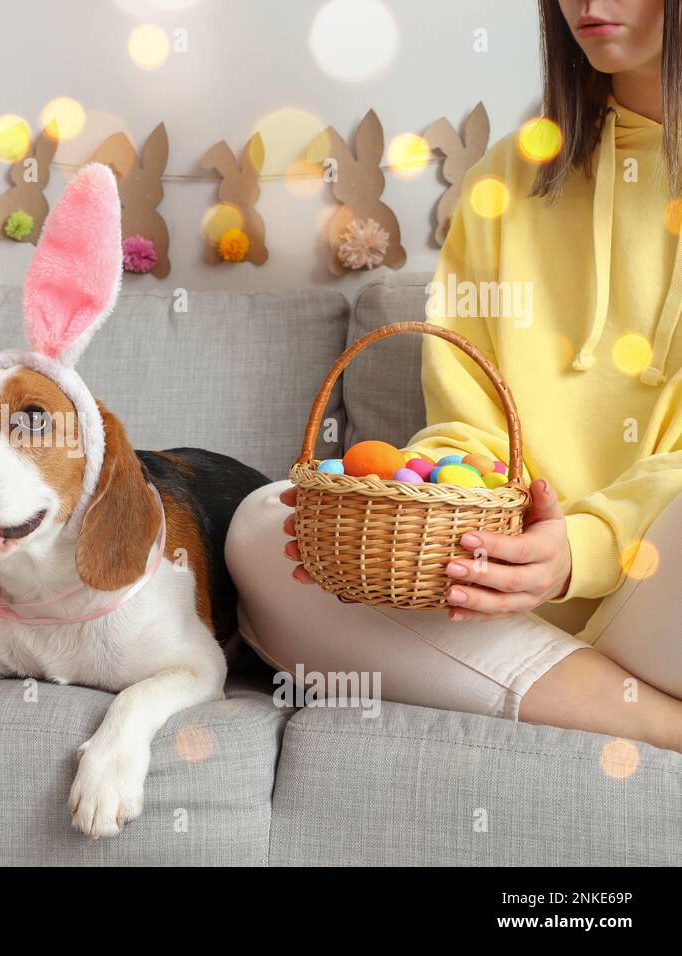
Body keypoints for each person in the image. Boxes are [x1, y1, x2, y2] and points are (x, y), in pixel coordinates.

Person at [227, 0, 682, 754]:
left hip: (656, 591)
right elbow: (470, 419)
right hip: (490, 603)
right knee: (266, 527)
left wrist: (583, 548)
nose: (588, 6)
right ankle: (644, 719)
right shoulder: (507, 175)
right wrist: (451, 499)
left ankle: (548, 690)